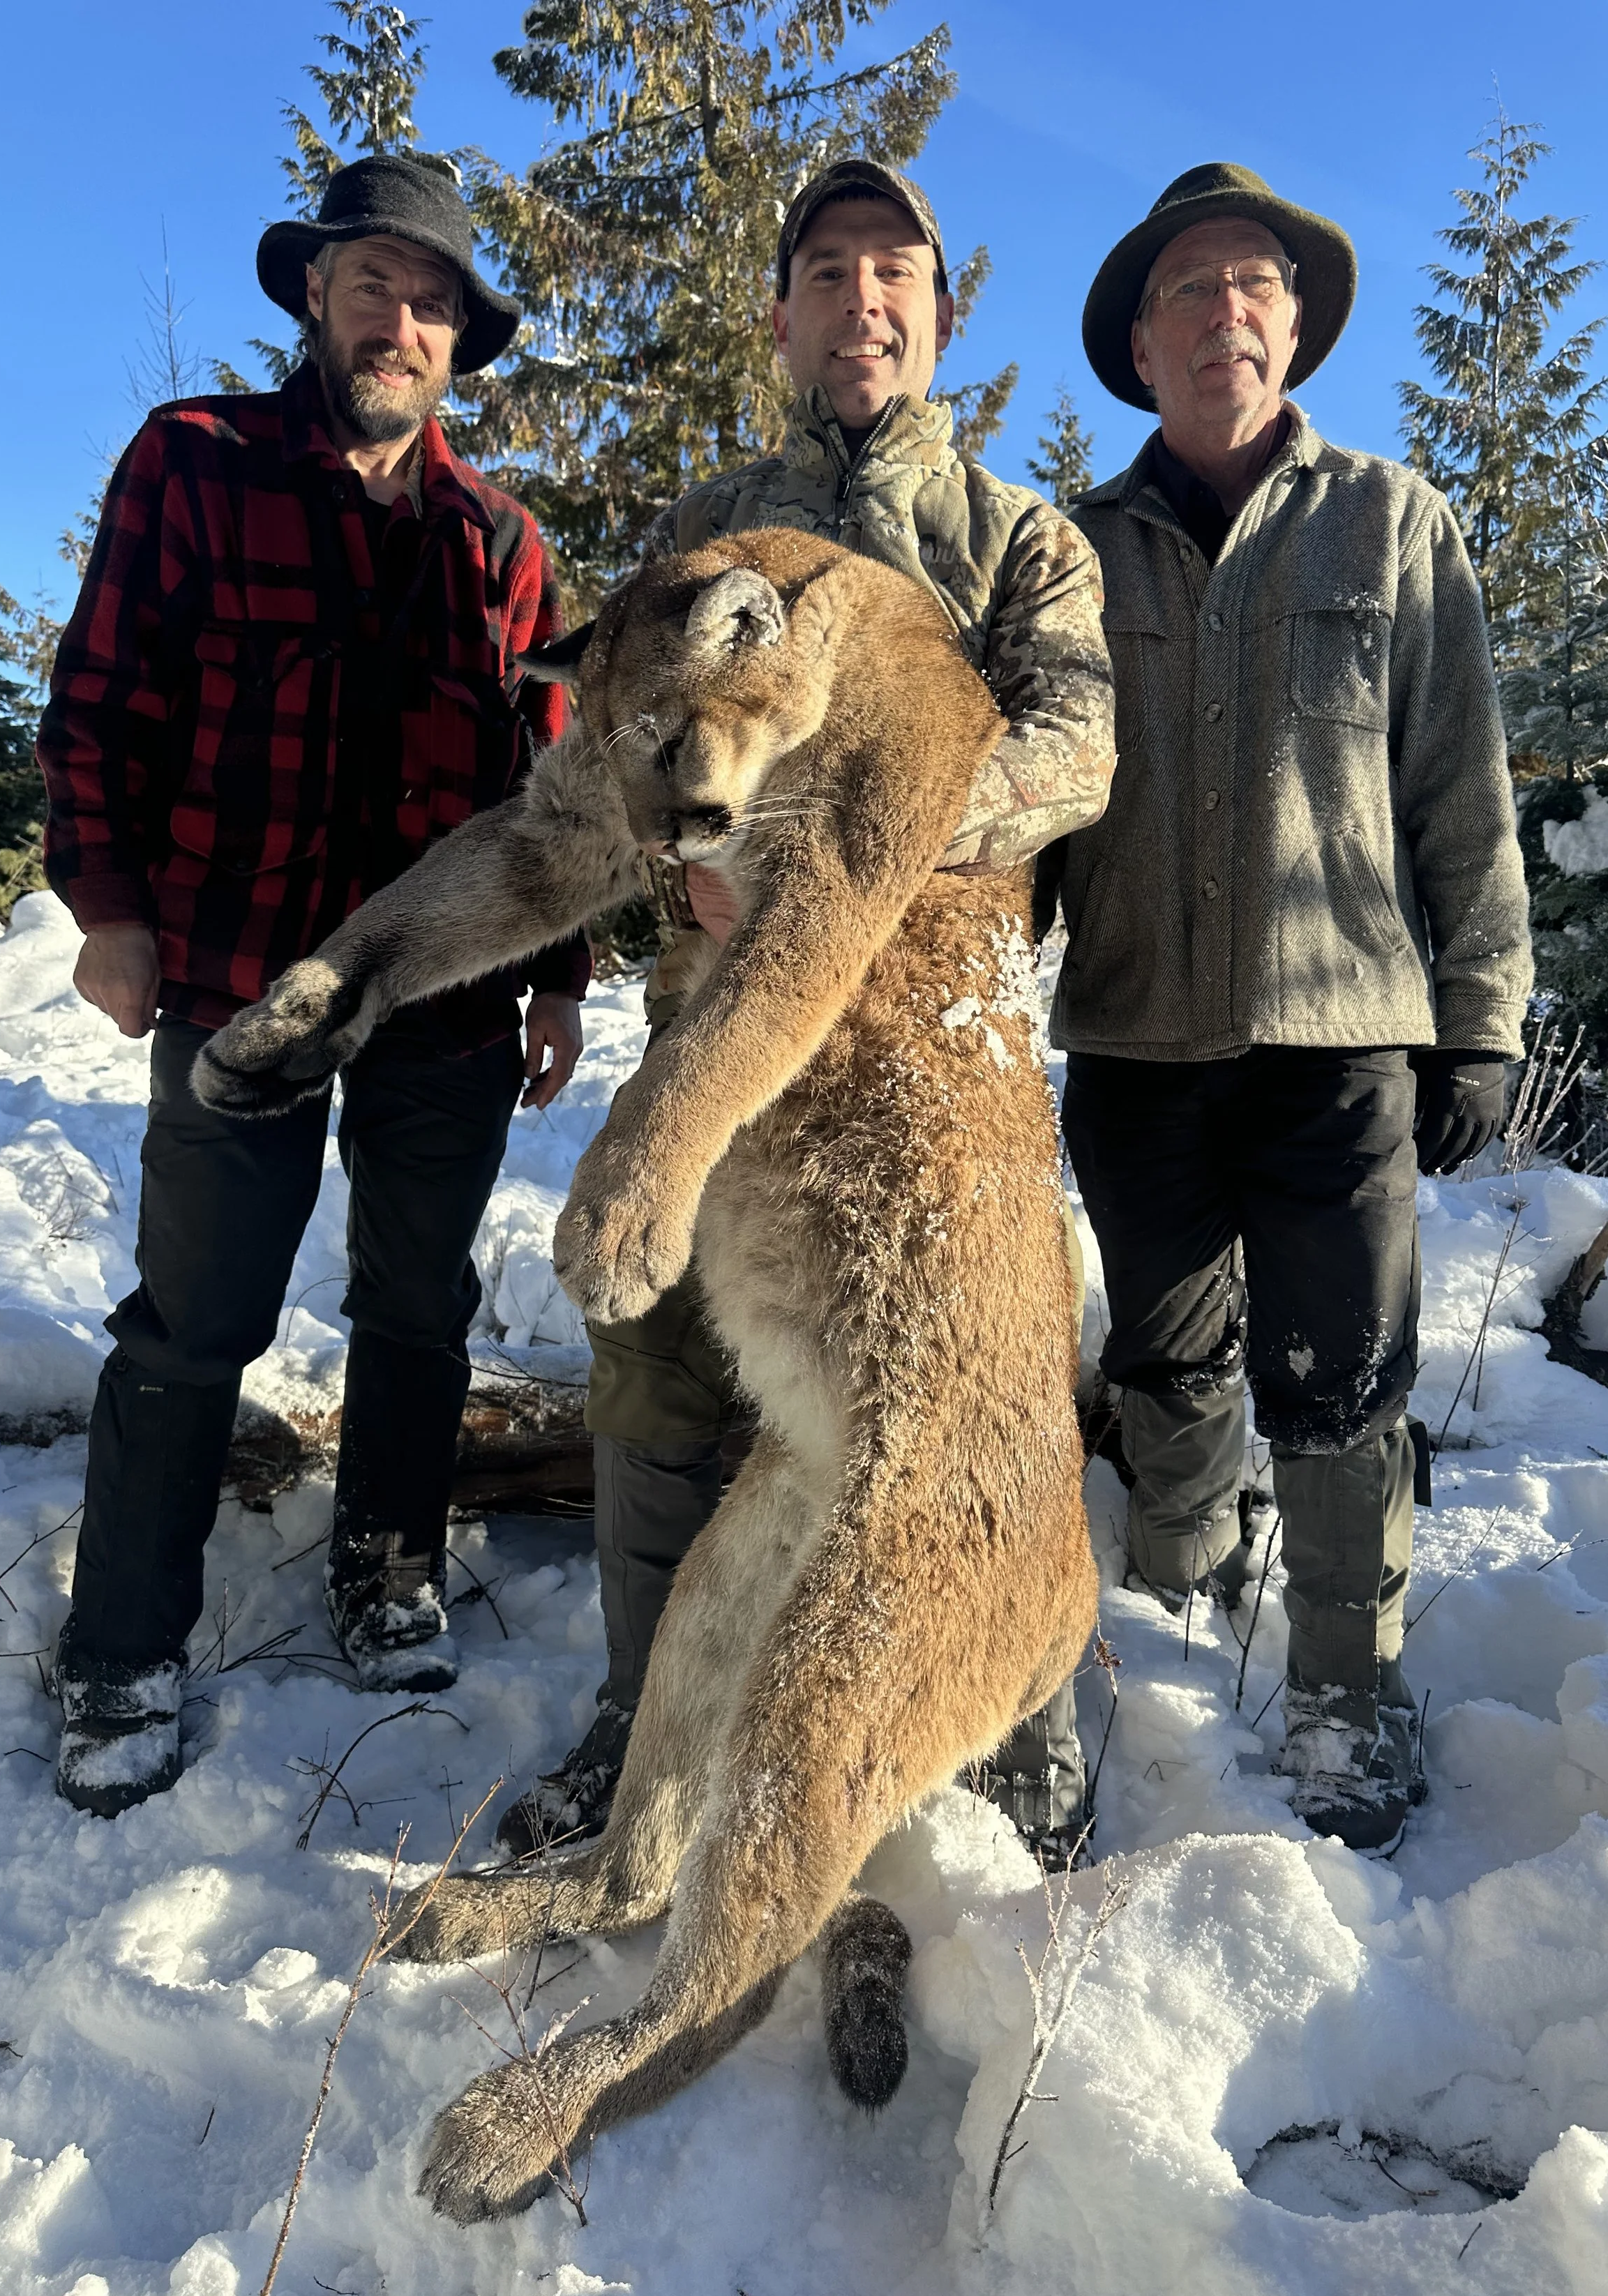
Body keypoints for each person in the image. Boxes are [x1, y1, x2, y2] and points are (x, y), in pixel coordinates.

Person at [499, 159, 1118, 1871]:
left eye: (892, 271)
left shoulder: (1019, 538)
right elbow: (624, 748)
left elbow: (1070, 760)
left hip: (931, 1049)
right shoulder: (705, 522)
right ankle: (650, 1720)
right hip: (715, 1011)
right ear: (779, 315)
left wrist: (836, 855)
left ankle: (1015, 1737)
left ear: (936, 313)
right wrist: (681, 856)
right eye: (825, 269)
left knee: (972, 1370)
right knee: (663, 1365)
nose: (860, 296)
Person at [39, 155, 587, 1816]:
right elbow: (99, 697)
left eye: (432, 303)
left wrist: (558, 976)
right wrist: (108, 907)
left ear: (456, 340)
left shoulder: (499, 542)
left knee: (417, 1305)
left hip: (440, 989)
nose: (400, 321)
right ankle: (123, 1644)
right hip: (229, 959)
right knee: (193, 1316)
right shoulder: (194, 463)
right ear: (316, 296)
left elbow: (548, 790)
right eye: (375, 286)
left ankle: (389, 1569)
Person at [1044, 163, 1533, 1851]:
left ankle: (1345, 1679)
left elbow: (1456, 782)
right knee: (1167, 1357)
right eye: (1187, 288)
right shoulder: (1071, 553)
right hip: (1128, 1037)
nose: (1222, 313)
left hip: (1337, 1037)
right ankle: (1180, 1575)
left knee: (1338, 1378)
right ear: (1137, 339)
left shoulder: (1390, 521)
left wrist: (1478, 1014)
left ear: (1296, 324)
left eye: (1253, 284)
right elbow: (1017, 810)